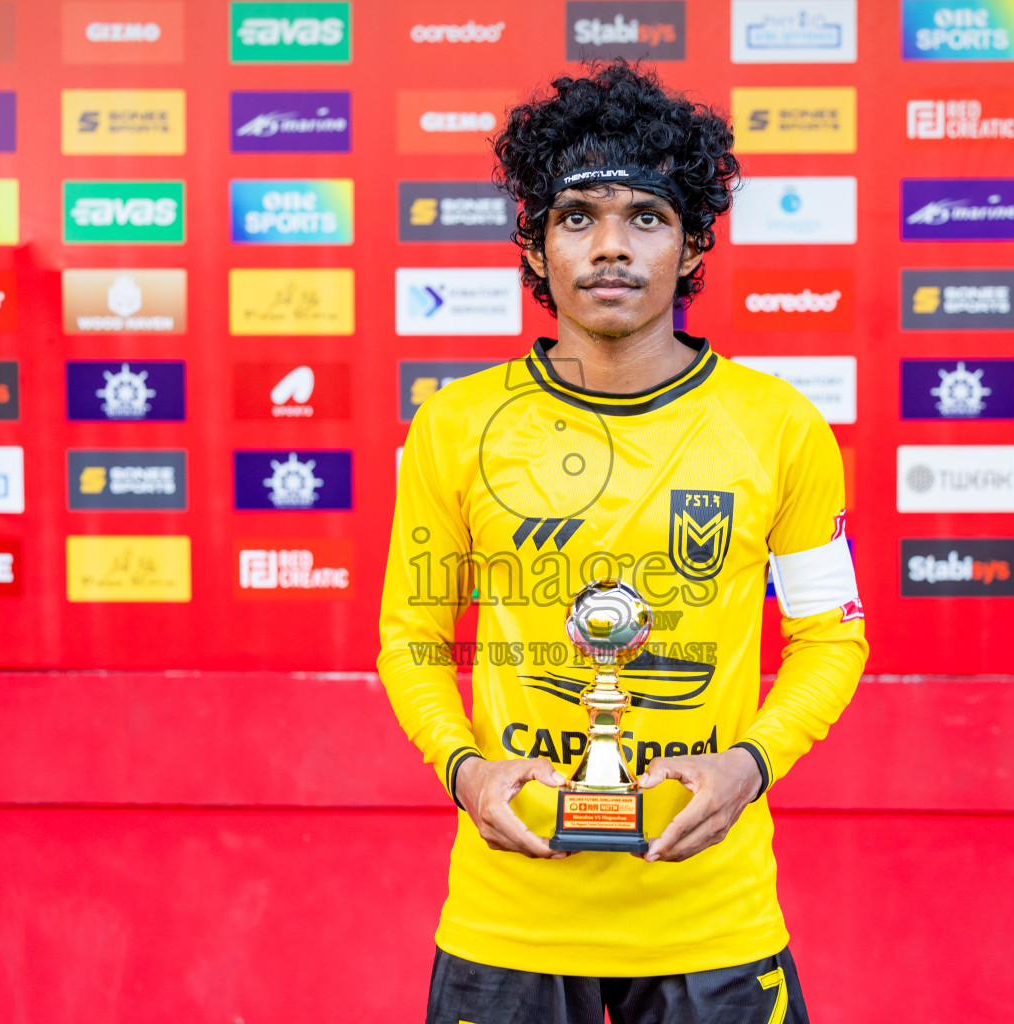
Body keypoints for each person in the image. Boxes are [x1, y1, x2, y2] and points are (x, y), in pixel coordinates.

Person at [378, 60, 868, 1024]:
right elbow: (414, 640)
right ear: (538, 245)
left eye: (646, 216)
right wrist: (465, 770)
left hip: (712, 924)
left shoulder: (779, 425)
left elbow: (831, 636)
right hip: (509, 920)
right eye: (578, 217)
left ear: (690, 248)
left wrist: (751, 764)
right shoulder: (456, 425)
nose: (612, 247)